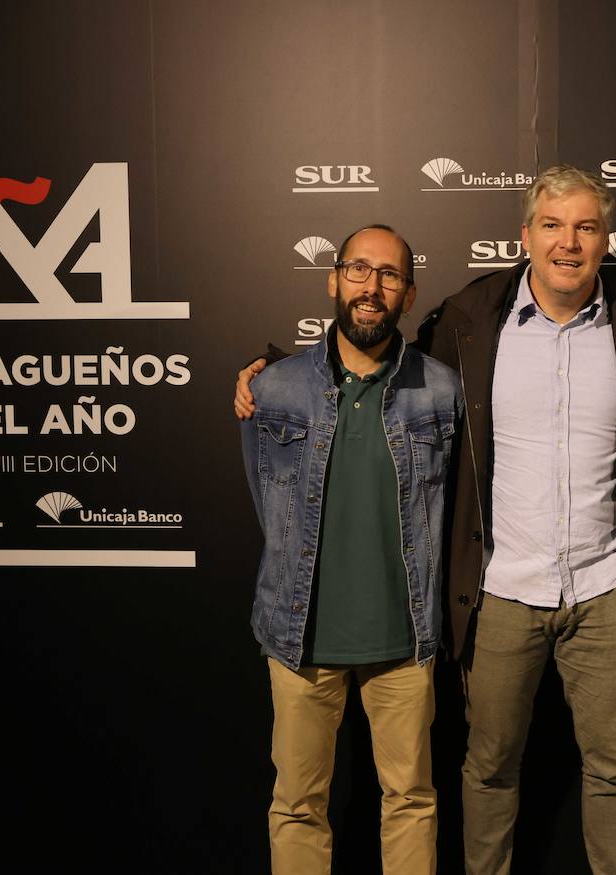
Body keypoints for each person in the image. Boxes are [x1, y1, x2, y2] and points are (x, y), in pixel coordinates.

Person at [237, 166, 616, 875]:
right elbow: (289, 455)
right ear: (524, 236)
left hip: (594, 590)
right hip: (489, 593)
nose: (568, 242)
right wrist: (270, 371)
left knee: (607, 773)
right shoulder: (471, 325)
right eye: (552, 226)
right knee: (476, 773)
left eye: (586, 227)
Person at [241, 224, 463, 874]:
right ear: (333, 279)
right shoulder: (274, 388)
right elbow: (262, 495)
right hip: (298, 636)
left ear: (410, 293)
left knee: (412, 799)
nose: (373, 287)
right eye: (359, 270)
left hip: (405, 638)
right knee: (297, 804)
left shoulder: (442, 390)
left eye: (389, 275)